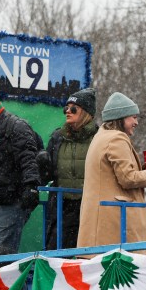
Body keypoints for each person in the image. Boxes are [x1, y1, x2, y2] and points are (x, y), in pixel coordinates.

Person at [77, 92, 146, 249]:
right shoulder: (117, 138)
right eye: (133, 117)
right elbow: (128, 179)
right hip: (114, 228)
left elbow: (113, 175)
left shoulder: (101, 136)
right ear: (120, 118)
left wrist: (140, 170)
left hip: (99, 227)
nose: (136, 122)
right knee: (124, 271)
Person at [0, 83, 42, 253]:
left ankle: (7, 279)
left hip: (10, 203)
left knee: (1, 255)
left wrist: (31, 187)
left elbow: (28, 159)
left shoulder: (15, 126)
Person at [37, 88, 98, 250]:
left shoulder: (100, 137)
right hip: (61, 207)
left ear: (86, 112)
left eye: (73, 109)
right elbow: (47, 176)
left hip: (89, 207)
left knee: (87, 256)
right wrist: (42, 164)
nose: (67, 112)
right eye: (66, 108)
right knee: (54, 254)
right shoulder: (58, 137)